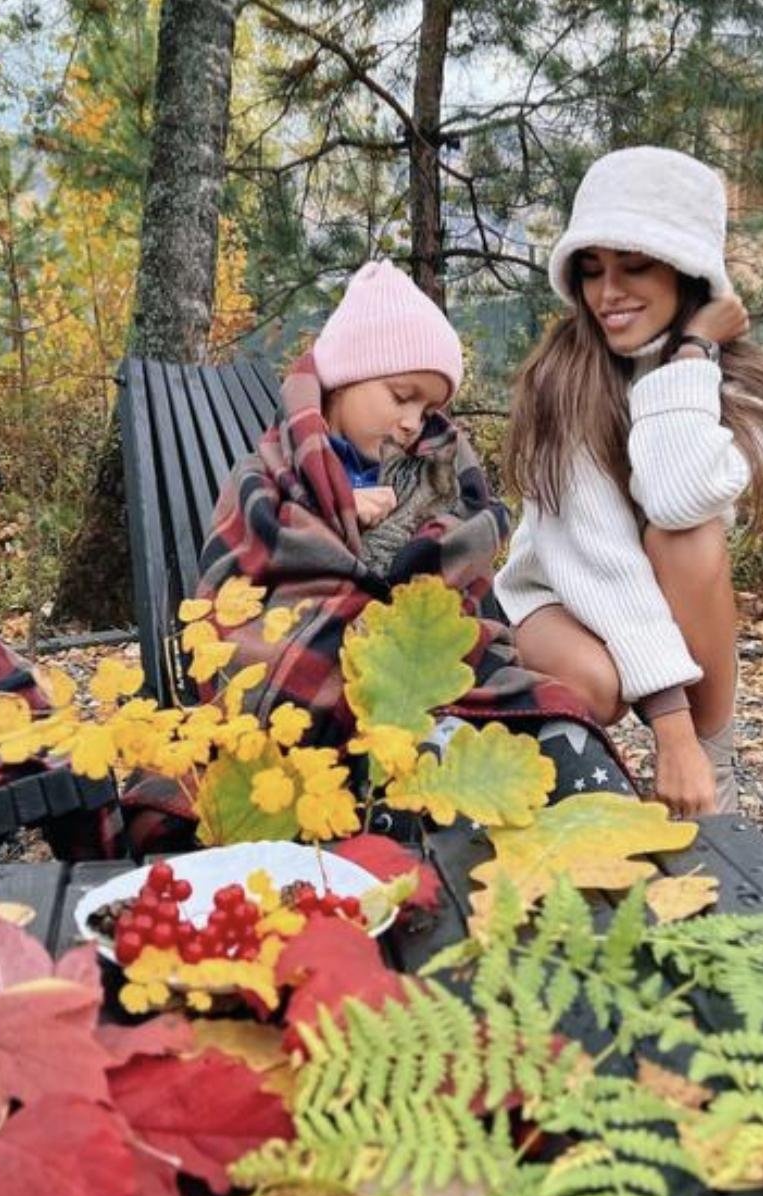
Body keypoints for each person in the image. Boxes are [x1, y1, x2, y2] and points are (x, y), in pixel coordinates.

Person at [123, 260, 634, 855]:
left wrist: (401, 532)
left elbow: (461, 553)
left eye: (427, 407)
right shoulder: (269, 476)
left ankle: (623, 855)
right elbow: (233, 594)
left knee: (560, 728)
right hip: (319, 684)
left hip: (428, 663)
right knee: (433, 751)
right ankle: (453, 870)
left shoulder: (436, 469)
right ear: (344, 379)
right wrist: (340, 510)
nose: (412, 422)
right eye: (401, 396)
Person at [495, 146, 763, 818]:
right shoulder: (563, 378)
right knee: (595, 684)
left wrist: (692, 355)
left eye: (634, 265)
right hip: (556, 596)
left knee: (686, 535)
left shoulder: (741, 389)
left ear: (687, 270)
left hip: (662, 592)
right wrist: (669, 726)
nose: (607, 293)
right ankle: (569, 772)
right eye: (591, 269)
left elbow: (675, 494)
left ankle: (712, 771)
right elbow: (599, 558)